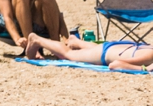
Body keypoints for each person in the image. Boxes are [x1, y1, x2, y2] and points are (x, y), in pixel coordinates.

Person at [24, 34, 152, 72]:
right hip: (106, 52)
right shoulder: (149, 57)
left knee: (95, 49)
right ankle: (37, 39)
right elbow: (116, 64)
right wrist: (144, 69)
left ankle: (78, 42)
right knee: (69, 55)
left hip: (119, 47)